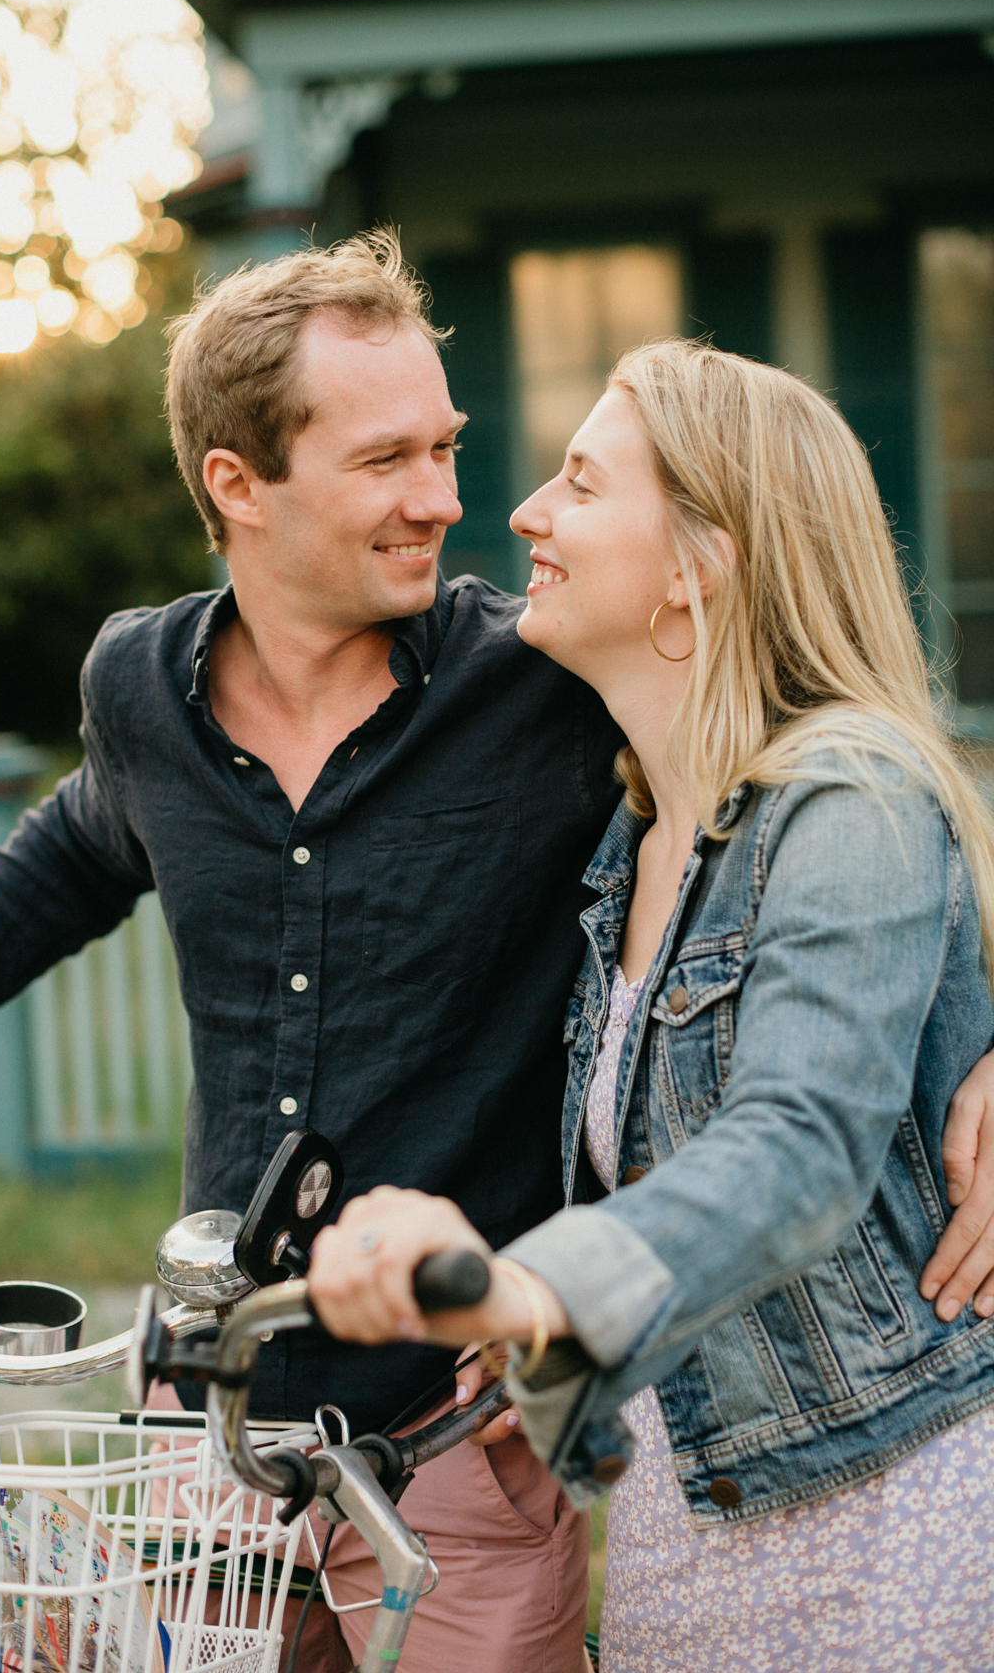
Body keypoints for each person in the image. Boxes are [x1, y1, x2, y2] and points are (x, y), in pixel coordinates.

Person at [0, 242, 991, 1670]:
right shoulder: (140, 692)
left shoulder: (544, 689)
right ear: (239, 486)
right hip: (219, 1416)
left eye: (449, 446)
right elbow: (80, 846)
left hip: (462, 1428)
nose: (457, 501)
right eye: (385, 460)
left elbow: (853, 846)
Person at [306, 339, 994, 1671]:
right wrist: (558, 1356)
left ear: (701, 560)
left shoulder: (850, 802)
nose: (521, 518)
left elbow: (800, 1146)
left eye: (579, 484)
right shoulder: (636, 840)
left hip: (886, 1517)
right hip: (698, 1520)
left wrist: (530, 1286)